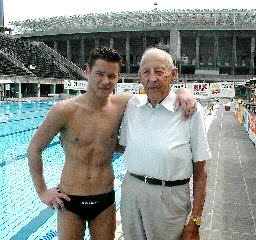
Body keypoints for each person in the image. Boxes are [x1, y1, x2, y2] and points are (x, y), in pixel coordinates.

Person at [27, 47, 196, 240]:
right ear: (87, 71)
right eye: (99, 74)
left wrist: (182, 92)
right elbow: (34, 148)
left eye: (111, 76)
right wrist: (42, 191)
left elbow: (157, 90)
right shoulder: (64, 110)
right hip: (70, 199)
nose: (105, 81)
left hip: (105, 199)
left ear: (118, 76)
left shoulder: (124, 103)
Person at [119, 47, 212, 240]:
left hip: (169, 197)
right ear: (139, 77)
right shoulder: (133, 105)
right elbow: (124, 145)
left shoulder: (190, 110)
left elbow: (200, 169)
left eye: (159, 71)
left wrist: (195, 221)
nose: (152, 78)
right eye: (146, 72)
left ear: (173, 74)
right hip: (131, 191)